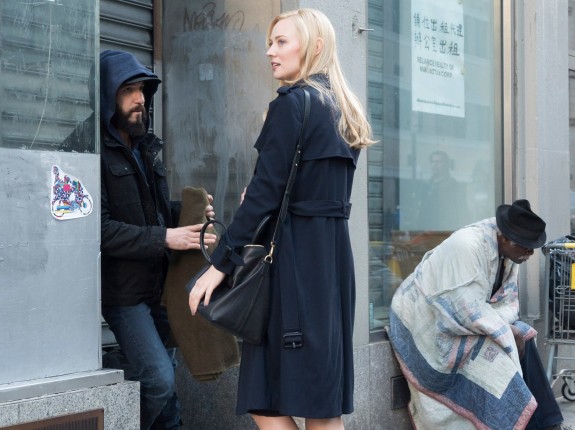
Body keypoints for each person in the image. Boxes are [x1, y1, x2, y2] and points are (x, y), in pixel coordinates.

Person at [188, 9, 373, 430]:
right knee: (320, 405)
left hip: (292, 267)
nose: (270, 52)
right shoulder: (344, 108)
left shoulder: (292, 104)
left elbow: (263, 198)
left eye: (281, 42)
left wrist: (219, 266)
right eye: (270, 42)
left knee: (265, 397)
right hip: (331, 266)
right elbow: (309, 191)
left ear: (315, 46)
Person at [99, 49, 216, 430]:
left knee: (167, 382)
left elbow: (154, 211)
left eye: (142, 90)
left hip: (162, 288)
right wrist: (167, 237)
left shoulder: (145, 147)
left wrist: (191, 214)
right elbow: (100, 230)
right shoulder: (91, 150)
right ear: (107, 95)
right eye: (128, 90)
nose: (139, 99)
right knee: (158, 379)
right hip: (124, 294)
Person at [387, 199, 571, 430]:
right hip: (427, 321)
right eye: (525, 247)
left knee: (523, 335)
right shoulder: (466, 245)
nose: (530, 253)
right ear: (506, 238)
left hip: (468, 321)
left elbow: (507, 302)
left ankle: (548, 422)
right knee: (502, 349)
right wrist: (506, 331)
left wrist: (509, 331)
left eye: (532, 247)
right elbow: (461, 307)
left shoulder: (508, 252)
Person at [413, 150, 469, 231]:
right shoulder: (425, 186)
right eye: (432, 162)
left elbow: (462, 213)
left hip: (447, 232)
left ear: (447, 165)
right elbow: (421, 211)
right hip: (426, 232)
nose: (435, 165)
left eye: (439, 162)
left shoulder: (455, 187)